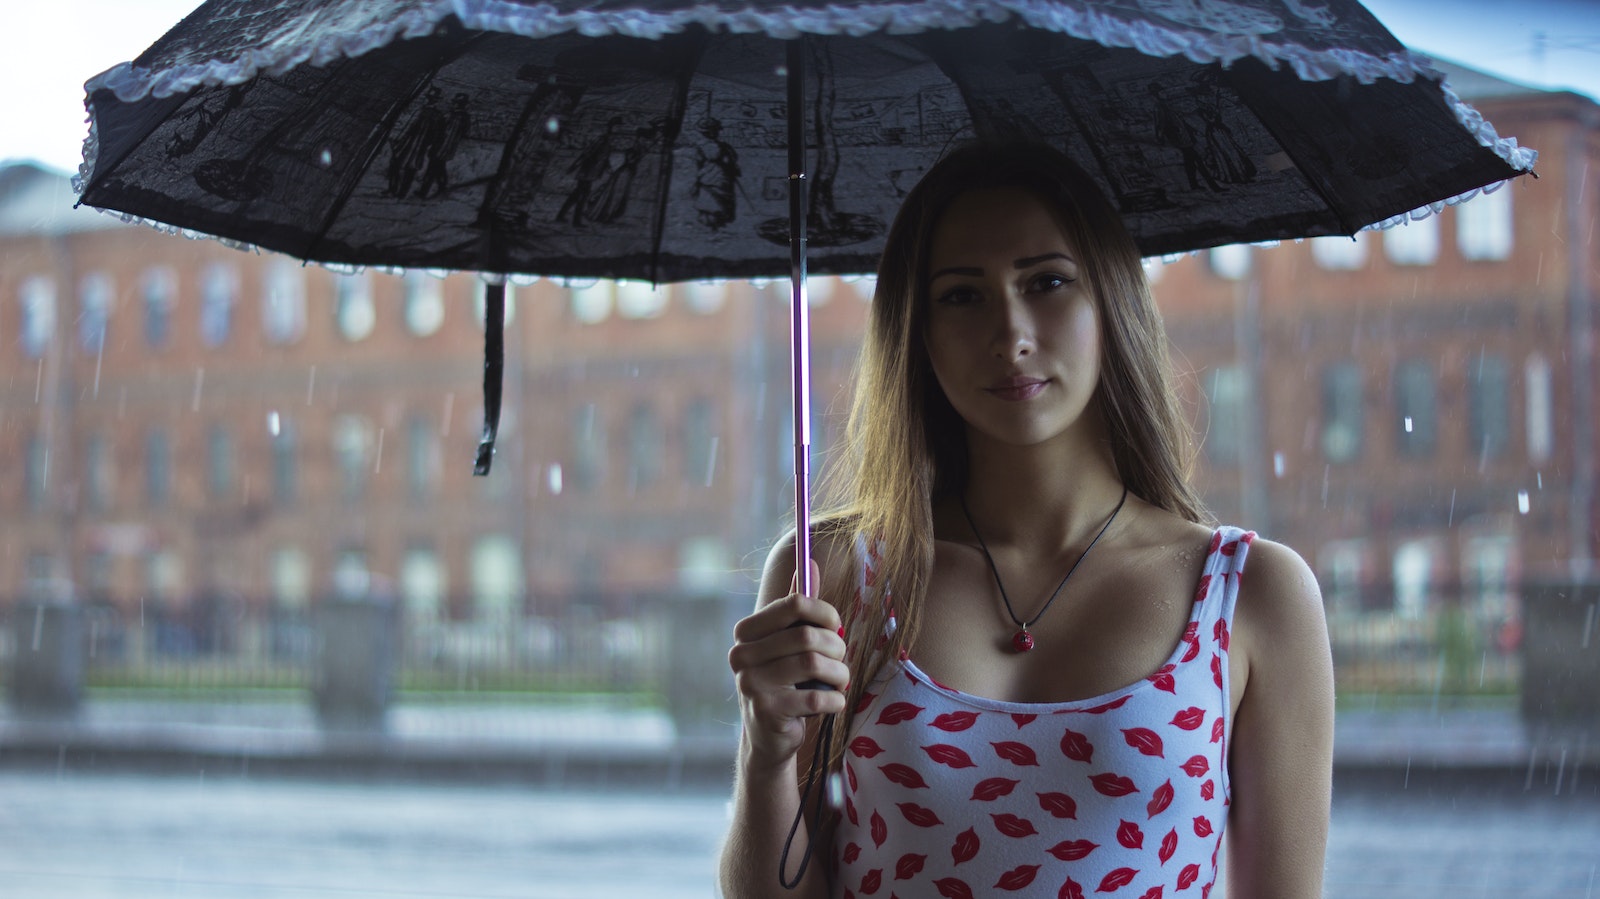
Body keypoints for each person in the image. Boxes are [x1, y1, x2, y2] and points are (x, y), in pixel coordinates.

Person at [719, 142, 1334, 898]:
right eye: (962, 295)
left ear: (1109, 302)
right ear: (918, 332)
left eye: (1046, 282)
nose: (1010, 332)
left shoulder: (1251, 594)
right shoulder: (832, 575)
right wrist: (766, 750)